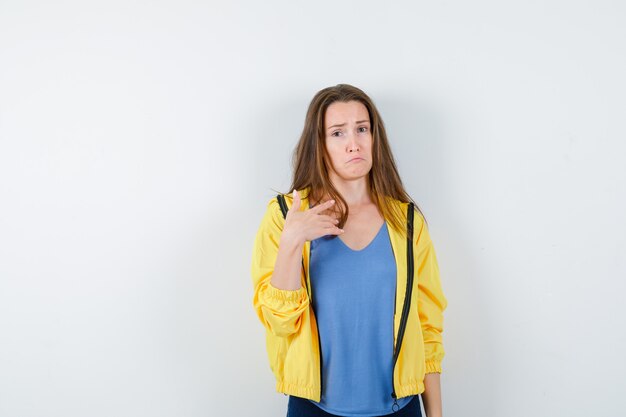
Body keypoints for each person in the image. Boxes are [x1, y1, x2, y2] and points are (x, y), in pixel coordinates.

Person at [251, 84, 448, 417]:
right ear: (320, 145)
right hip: (313, 409)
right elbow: (278, 323)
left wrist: (437, 415)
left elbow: (428, 329)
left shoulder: (407, 222)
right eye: (338, 133)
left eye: (361, 129)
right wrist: (291, 242)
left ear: (374, 137)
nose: (354, 143)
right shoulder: (286, 216)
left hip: (400, 408)